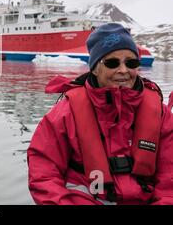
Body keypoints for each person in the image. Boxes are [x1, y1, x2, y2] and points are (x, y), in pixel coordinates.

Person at [27, 23, 173, 205]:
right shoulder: (65, 114)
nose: (123, 70)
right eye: (112, 63)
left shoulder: (160, 114)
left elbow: (170, 180)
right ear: (95, 68)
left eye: (131, 62)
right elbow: (44, 173)